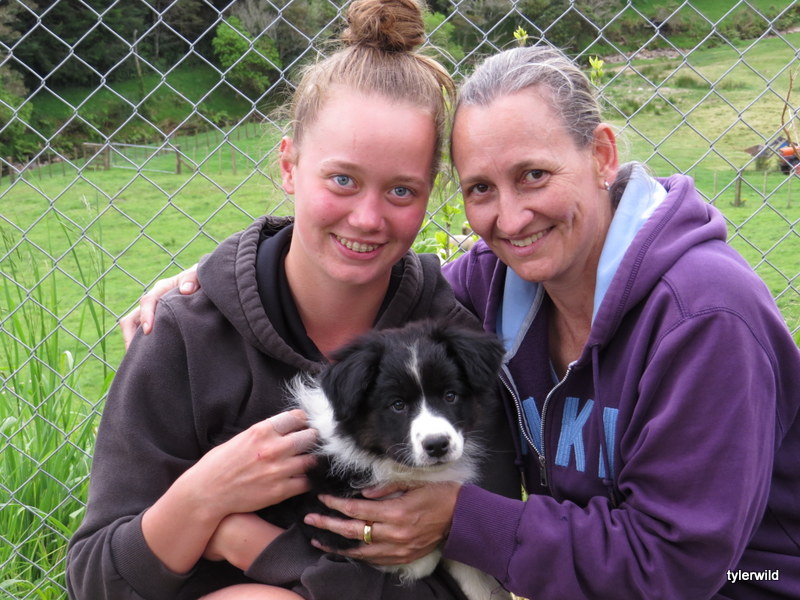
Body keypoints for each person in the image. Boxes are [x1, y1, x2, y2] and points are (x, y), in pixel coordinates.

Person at [127, 42, 800, 599]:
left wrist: (463, 517)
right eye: (481, 188)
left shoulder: (705, 317)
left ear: (601, 155)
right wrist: (211, 284)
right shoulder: (498, 282)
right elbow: (372, 271)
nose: (510, 218)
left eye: (534, 175)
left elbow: (675, 569)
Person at [66, 1, 520, 599]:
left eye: (401, 190)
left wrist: (251, 544)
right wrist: (203, 496)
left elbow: (480, 581)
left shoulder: (452, 348)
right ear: (289, 164)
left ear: (430, 192)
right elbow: (96, 581)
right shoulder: (186, 335)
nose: (367, 217)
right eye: (342, 179)